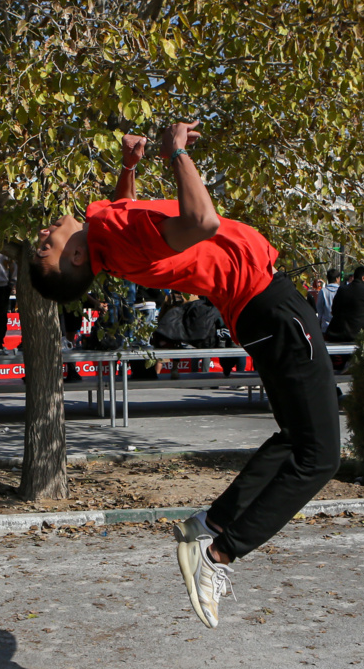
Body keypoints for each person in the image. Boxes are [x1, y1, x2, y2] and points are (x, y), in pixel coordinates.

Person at [29, 122, 341, 629]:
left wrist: (129, 168)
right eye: (46, 246)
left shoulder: (106, 240)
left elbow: (124, 215)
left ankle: (211, 523)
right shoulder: (110, 241)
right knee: (321, 457)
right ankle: (219, 553)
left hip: (261, 310)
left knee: (297, 440)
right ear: (76, 256)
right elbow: (203, 220)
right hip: (270, 305)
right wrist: (175, 152)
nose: (43, 233)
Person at [324, 266, 364, 342]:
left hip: (338, 335)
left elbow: (334, 310)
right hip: (360, 336)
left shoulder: (342, 290)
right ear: (363, 278)